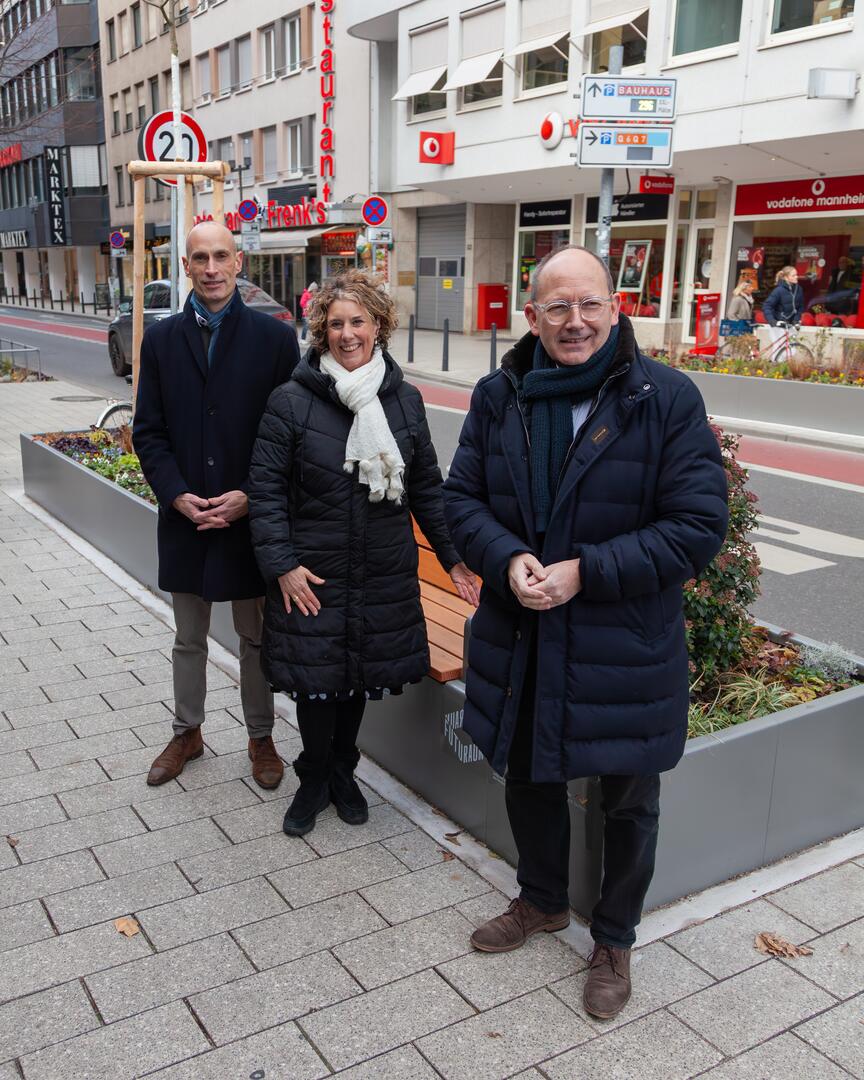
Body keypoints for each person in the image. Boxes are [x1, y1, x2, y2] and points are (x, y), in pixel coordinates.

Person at [443, 245, 728, 1021]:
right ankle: (541, 900)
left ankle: (614, 938)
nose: (575, 322)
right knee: (528, 773)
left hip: (622, 644)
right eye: (558, 308)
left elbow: (699, 526)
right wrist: (506, 563)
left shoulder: (662, 397)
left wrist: (584, 571)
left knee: (629, 798)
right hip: (523, 632)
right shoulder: (500, 395)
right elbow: (461, 501)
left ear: (616, 307)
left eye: (590, 304)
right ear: (530, 316)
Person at [248, 270, 479, 837]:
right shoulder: (290, 400)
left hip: (381, 569)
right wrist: (281, 565)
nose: (347, 333)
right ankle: (313, 776)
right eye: (336, 324)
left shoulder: (404, 401)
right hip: (313, 573)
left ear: (379, 325)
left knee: (356, 680)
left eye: (358, 321)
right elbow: (266, 491)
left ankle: (343, 772)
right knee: (315, 682)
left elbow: (426, 485)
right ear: (321, 332)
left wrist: (453, 559)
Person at [134, 222, 300, 790]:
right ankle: (188, 731)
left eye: (220, 256)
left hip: (249, 519)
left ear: (238, 262)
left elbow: (289, 436)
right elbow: (148, 431)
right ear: (185, 267)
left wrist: (251, 498)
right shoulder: (159, 341)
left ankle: (261, 736)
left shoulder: (275, 340)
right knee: (187, 636)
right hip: (185, 516)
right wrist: (175, 494)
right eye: (199, 258)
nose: (210, 268)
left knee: (255, 637)